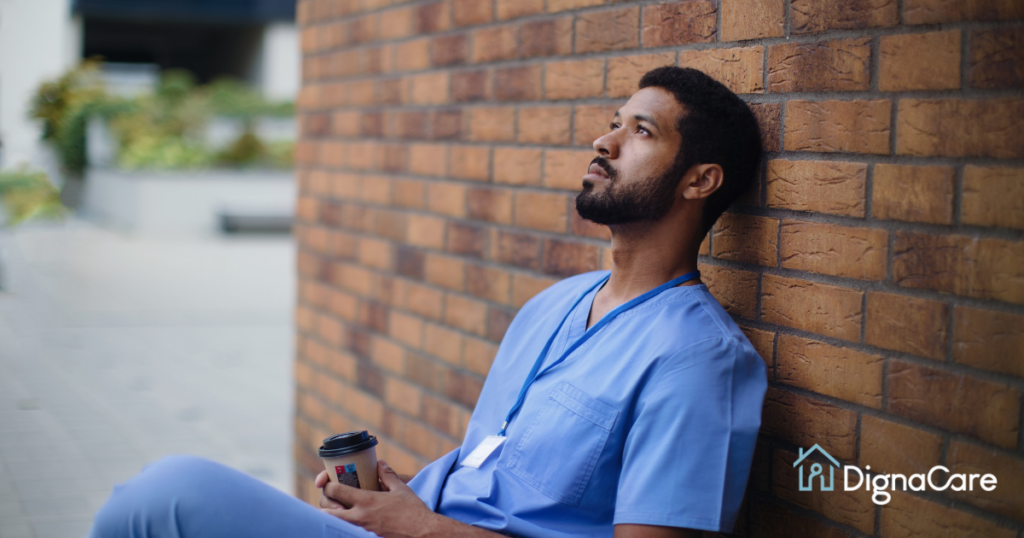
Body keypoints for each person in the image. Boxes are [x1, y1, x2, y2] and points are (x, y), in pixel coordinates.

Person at [88, 66, 767, 538]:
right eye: (613, 123)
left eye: (641, 132)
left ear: (700, 180)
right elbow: (497, 476)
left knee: (168, 496)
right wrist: (395, 498)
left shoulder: (698, 360)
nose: (604, 140)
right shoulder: (553, 305)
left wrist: (422, 529)